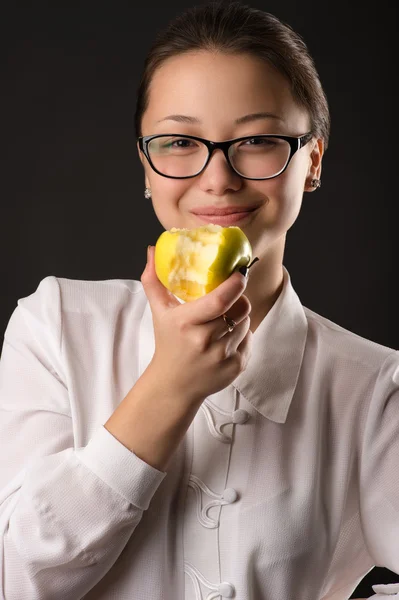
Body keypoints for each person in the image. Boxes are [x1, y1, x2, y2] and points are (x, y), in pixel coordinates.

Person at [0, 0, 398, 598]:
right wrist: (171, 383)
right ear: (146, 165)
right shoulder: (54, 325)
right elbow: (18, 575)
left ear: (311, 160)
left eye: (258, 139)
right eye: (180, 142)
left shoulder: (373, 385)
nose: (217, 178)